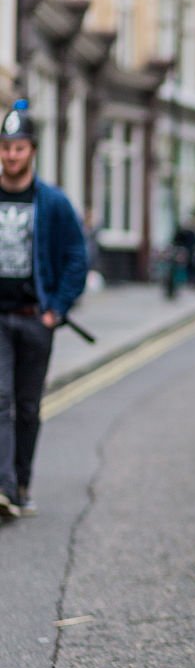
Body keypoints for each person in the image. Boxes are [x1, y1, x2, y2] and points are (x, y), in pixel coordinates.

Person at [0, 100, 87, 518]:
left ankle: (20, 483)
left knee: (28, 406)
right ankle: (3, 488)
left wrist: (56, 309)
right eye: (5, 147)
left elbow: (76, 256)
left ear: (31, 150)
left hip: (36, 319)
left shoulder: (51, 202)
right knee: (0, 399)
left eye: (18, 147)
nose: (11, 155)